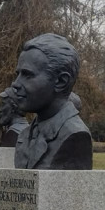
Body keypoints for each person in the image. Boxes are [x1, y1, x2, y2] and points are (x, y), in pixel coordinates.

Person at [12, 33, 93, 170]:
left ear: (61, 81)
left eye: (27, 75)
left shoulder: (75, 135)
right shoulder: (25, 135)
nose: (16, 84)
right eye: (18, 74)